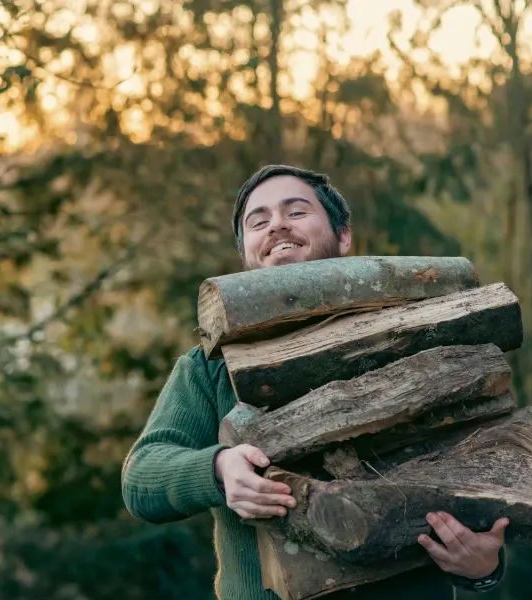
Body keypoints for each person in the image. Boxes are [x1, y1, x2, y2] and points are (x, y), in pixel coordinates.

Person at [120, 165, 509, 600]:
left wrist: (483, 568)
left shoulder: (415, 341)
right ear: (246, 254)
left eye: (296, 211)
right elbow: (141, 480)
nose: (277, 225)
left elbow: (481, 484)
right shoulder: (208, 368)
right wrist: (217, 468)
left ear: (343, 236)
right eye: (258, 220)